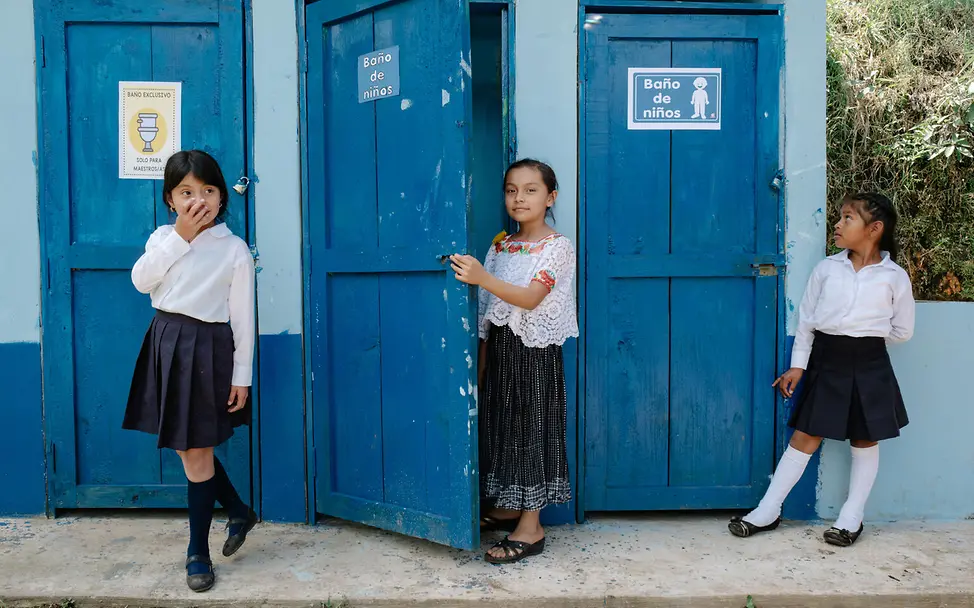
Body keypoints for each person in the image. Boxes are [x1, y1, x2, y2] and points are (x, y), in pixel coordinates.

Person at [728, 192, 915, 547]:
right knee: (805, 436)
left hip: (871, 364)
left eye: (848, 218)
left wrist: (864, 340)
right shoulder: (827, 269)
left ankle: (851, 518)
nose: (838, 224)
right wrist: (798, 366)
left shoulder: (894, 277)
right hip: (827, 362)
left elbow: (902, 331)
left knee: (865, 437)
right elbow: (807, 322)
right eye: (839, 217)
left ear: (874, 229)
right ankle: (767, 510)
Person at [123, 150, 258, 591]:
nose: (198, 200)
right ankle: (238, 509)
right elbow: (141, 281)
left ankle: (197, 552)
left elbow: (243, 318)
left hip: (208, 351)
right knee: (188, 449)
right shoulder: (163, 238)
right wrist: (180, 236)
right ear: (170, 199)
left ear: (222, 197)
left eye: (208, 190)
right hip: (166, 343)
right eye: (186, 192)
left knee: (195, 451)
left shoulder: (234, 249)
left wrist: (242, 376)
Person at [450, 159, 578, 564]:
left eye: (530, 190)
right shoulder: (501, 245)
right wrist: (482, 361)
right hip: (501, 350)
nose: (519, 198)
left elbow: (531, 298)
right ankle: (509, 507)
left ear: (550, 197)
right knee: (501, 428)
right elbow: (488, 311)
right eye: (511, 190)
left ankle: (531, 527)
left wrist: (480, 277)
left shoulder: (557, 247)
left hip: (534, 353)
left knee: (531, 432)